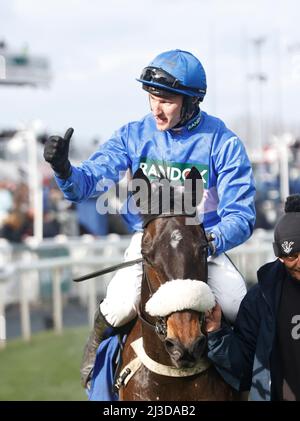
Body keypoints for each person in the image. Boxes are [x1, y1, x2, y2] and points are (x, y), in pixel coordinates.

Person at [43, 49, 256, 388]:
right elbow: (88, 183)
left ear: (191, 101)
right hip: (150, 246)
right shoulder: (133, 135)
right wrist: (64, 169)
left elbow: (241, 215)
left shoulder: (222, 142)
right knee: (116, 306)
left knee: (240, 307)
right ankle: (96, 369)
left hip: (203, 248)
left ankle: (259, 384)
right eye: (152, 97)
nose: (156, 108)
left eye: (167, 100)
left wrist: (206, 241)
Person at [206, 194, 300, 401]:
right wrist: (216, 333)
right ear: (280, 257)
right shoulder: (260, 299)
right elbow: (245, 368)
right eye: (292, 256)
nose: (299, 263)